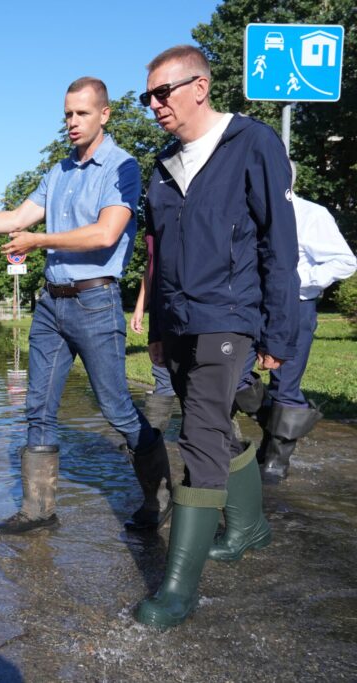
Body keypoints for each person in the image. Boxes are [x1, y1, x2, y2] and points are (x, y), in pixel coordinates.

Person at [0, 77, 171, 535]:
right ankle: (38, 510)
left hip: (95, 302)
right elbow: (17, 217)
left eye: (81, 113)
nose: (72, 122)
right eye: (67, 114)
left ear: (104, 114)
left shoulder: (122, 167)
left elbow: (106, 233)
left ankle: (160, 496)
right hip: (52, 306)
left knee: (116, 408)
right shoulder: (59, 172)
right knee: (37, 408)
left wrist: (39, 241)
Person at [135, 45, 299, 629]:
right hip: (179, 320)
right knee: (215, 424)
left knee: (200, 433)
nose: (155, 105)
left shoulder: (251, 143)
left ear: (200, 87)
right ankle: (249, 527)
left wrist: (277, 330)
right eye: (148, 96)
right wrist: (158, 327)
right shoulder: (163, 165)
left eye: (163, 92)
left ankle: (178, 589)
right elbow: (157, 256)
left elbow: (279, 244)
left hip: (230, 315)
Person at [234, 167, 356, 483]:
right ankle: (278, 423)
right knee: (234, 376)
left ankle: (275, 463)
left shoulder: (311, 214)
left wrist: (296, 282)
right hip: (249, 306)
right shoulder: (246, 214)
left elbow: (345, 261)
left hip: (295, 307)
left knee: (285, 385)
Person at [131, 226, 177, 434]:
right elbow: (151, 266)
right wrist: (141, 305)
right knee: (162, 370)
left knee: (205, 382)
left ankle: (231, 445)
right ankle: (152, 443)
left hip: (193, 309)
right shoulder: (154, 225)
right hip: (161, 310)